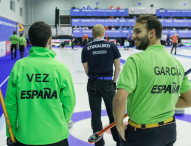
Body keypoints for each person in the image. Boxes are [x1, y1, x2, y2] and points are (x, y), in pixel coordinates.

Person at [113, 14, 191, 146]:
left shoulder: (135, 61)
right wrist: (163, 100)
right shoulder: (177, 64)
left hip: (143, 134)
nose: (133, 36)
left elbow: (120, 99)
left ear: (152, 33)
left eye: (138, 31)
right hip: (169, 131)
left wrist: (120, 126)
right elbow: (189, 100)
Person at [5, 21, 76, 146]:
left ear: (30, 41)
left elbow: (10, 104)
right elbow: (70, 102)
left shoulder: (19, 67)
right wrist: (60, 122)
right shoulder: (60, 68)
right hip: (56, 136)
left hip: (26, 137)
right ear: (50, 40)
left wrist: (10, 132)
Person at [81, 24, 122, 146]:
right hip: (108, 83)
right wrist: (114, 82)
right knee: (113, 113)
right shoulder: (112, 46)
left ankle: (99, 143)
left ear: (92, 34)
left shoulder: (86, 48)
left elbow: (87, 70)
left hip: (93, 83)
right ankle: (118, 141)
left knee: (96, 114)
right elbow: (118, 68)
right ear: (104, 33)